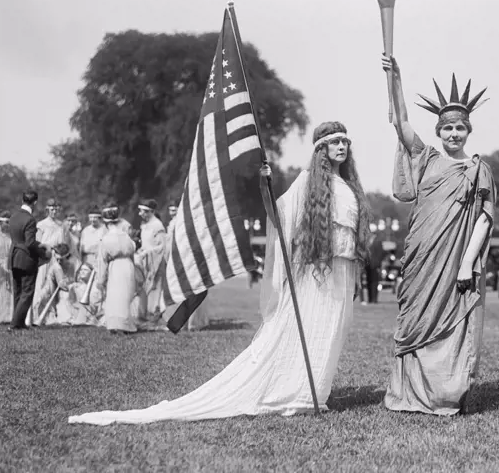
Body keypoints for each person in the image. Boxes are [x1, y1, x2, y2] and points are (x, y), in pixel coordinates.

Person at [68, 120, 371, 425]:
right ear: (321, 149)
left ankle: (317, 388)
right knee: (312, 326)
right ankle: (301, 392)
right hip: (317, 271)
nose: (342, 147)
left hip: (342, 271)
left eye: (345, 142)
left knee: (334, 329)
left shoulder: (348, 186)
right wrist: (265, 186)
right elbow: (278, 216)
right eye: (335, 143)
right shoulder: (307, 182)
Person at [381, 54, 497, 416]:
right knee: (414, 316)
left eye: (459, 128)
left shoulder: (479, 170)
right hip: (421, 256)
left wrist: (466, 265)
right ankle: (409, 393)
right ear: (438, 132)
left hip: (455, 261)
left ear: (468, 131)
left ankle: (443, 393)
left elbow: (483, 220)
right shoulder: (428, 158)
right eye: (447, 128)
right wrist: (395, 80)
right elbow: (400, 122)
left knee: (449, 320)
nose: (453, 134)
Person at [28, 198, 74, 325]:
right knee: (43, 287)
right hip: (45, 259)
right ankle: (37, 315)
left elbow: (66, 244)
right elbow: (37, 243)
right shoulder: (41, 225)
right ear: (47, 209)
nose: (54, 211)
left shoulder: (62, 226)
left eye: (56, 208)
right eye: (51, 208)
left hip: (58, 259)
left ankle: (53, 315)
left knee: (57, 287)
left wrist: (64, 256)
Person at [8, 191, 49, 331]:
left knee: (18, 292)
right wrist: (43, 252)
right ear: (35, 202)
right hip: (26, 259)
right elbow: (30, 243)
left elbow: (20, 239)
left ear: (22, 199)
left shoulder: (13, 217)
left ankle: (19, 323)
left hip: (13, 257)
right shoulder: (30, 219)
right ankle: (14, 325)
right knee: (27, 292)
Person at [96, 203, 138, 334]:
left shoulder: (106, 239)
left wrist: (101, 280)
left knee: (115, 295)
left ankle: (116, 325)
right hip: (128, 265)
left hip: (116, 266)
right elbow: (132, 251)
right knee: (126, 294)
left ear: (106, 223)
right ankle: (126, 324)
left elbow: (102, 260)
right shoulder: (126, 236)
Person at [135, 199, 167, 318]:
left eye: (142, 211)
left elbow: (162, 246)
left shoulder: (158, 226)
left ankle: (154, 314)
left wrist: (147, 252)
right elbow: (146, 244)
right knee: (145, 288)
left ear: (151, 212)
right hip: (146, 262)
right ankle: (144, 313)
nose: (140, 214)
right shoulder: (146, 226)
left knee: (154, 288)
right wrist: (141, 250)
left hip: (156, 263)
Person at [36, 243, 80, 326]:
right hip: (52, 288)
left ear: (67, 257)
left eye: (61, 259)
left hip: (65, 288)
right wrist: (70, 285)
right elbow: (62, 284)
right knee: (63, 295)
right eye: (57, 259)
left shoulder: (74, 264)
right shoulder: (57, 267)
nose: (59, 261)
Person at [0, 211, 13, 324]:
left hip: (9, 266)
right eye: (6, 222)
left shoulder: (10, 237)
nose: (8, 225)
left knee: (8, 291)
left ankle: (7, 316)